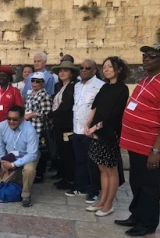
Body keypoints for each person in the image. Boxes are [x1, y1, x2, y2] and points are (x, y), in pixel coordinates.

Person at [117, 43, 160, 236]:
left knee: (149, 186)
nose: (146, 59)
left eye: (152, 56)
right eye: (145, 55)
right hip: (135, 144)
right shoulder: (146, 80)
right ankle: (136, 215)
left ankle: (148, 223)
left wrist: (156, 151)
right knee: (136, 182)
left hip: (149, 147)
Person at [84, 56, 130, 217]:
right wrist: (87, 124)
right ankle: (102, 200)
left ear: (119, 69)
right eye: (104, 67)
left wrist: (96, 126)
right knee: (102, 168)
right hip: (97, 133)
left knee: (111, 170)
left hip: (110, 133)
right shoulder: (104, 88)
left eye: (110, 66)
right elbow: (95, 107)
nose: (106, 69)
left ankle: (109, 204)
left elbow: (115, 114)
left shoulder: (122, 89)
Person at [65, 60, 105, 204]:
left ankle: (93, 191)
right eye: (81, 68)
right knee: (79, 160)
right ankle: (79, 186)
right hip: (77, 129)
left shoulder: (100, 86)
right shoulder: (77, 86)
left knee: (92, 163)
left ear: (94, 71)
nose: (84, 70)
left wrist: (94, 128)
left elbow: (99, 110)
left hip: (90, 131)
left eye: (88, 68)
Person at [0, 105, 40, 207]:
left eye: (15, 119)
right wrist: (3, 163)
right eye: (9, 118)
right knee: (2, 184)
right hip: (10, 156)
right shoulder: (2, 126)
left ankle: (26, 194)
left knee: (29, 170)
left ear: (22, 118)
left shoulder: (30, 130)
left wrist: (12, 165)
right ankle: (20, 177)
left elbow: (32, 154)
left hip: (28, 156)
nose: (11, 121)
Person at [48, 61, 78, 190]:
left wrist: (51, 114)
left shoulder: (71, 87)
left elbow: (65, 107)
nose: (62, 73)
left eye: (66, 70)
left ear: (71, 73)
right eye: (60, 71)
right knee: (63, 152)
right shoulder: (61, 87)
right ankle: (66, 176)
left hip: (66, 125)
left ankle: (70, 179)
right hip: (59, 125)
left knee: (67, 153)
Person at [24, 72, 53, 182]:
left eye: (38, 81)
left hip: (39, 128)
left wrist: (31, 115)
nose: (35, 83)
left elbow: (47, 113)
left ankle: (39, 174)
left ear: (43, 83)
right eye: (33, 80)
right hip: (29, 128)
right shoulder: (31, 93)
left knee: (39, 151)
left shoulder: (44, 95)